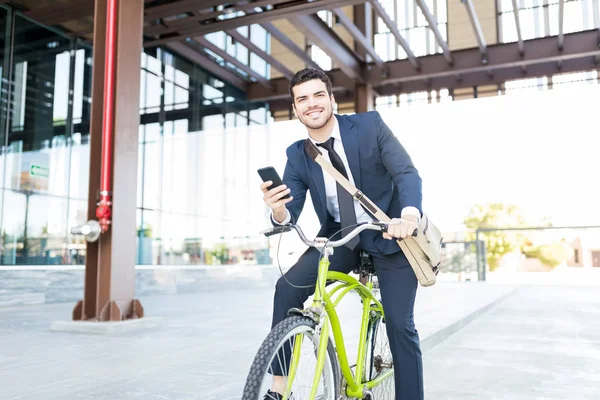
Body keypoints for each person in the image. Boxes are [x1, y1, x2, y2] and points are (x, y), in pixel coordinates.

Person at [260, 67, 424, 400]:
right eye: (302, 99)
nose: (312, 104)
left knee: (398, 323)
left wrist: (407, 215)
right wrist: (278, 210)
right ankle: (279, 390)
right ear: (295, 109)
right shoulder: (297, 154)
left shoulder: (369, 126)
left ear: (332, 100)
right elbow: (290, 208)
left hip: (391, 233)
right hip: (342, 237)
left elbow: (407, 174)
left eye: (318, 95)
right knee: (285, 289)